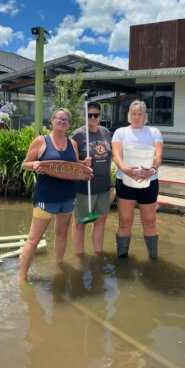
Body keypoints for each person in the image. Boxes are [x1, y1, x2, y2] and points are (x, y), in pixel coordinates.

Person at [19, 108, 80, 282]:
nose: (62, 121)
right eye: (59, 118)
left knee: (62, 233)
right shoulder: (41, 141)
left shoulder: (73, 144)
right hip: (45, 197)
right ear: (52, 121)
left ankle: (59, 267)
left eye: (66, 119)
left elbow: (73, 167)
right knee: (34, 239)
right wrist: (35, 164)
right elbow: (25, 164)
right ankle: (21, 278)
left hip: (68, 196)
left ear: (69, 124)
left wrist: (84, 164)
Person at [112, 100, 163, 259]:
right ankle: (122, 256)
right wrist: (125, 169)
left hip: (149, 181)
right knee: (125, 220)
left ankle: (153, 257)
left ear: (145, 116)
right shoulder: (120, 132)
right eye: (134, 113)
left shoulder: (154, 132)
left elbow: (158, 154)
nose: (136, 117)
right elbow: (117, 155)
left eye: (140, 113)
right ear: (129, 115)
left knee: (149, 220)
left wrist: (153, 169)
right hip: (125, 180)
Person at [72, 101, 112, 255]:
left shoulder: (106, 132)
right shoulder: (78, 135)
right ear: (85, 116)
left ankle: (98, 255)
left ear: (100, 116)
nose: (93, 118)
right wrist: (82, 162)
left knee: (100, 221)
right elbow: (71, 161)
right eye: (90, 115)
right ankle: (79, 257)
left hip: (103, 187)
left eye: (96, 115)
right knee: (81, 223)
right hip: (84, 188)